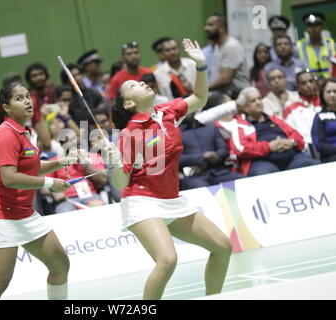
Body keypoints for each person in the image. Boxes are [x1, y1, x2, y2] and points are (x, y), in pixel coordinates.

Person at [108, 39, 232, 299]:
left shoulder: (167, 111)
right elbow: (121, 183)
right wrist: (117, 163)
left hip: (172, 199)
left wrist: (200, 66)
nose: (141, 81)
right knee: (167, 259)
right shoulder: (131, 133)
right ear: (129, 104)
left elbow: (199, 98)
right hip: (142, 201)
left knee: (222, 246)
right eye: (133, 85)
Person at [0, 81, 87, 300]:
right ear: (6, 107)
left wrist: (63, 160)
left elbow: (30, 167)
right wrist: (49, 183)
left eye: (27, 96)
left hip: (23, 211)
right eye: (19, 98)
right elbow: (9, 178)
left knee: (60, 264)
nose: (27, 101)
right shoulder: (5, 134)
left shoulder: (25, 132)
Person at [230, 87, 320, 176]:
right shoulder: (240, 125)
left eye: (259, 99)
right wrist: (268, 146)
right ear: (245, 108)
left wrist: (291, 142)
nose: (258, 102)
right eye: (253, 101)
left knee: (314, 165)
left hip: (290, 157)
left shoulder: (274, 119)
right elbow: (241, 149)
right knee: (265, 174)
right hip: (262, 161)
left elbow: (297, 136)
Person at [179, 113, 245, 190]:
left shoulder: (210, 127)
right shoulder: (175, 134)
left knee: (245, 181)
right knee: (203, 191)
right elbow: (176, 160)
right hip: (194, 177)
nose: (187, 112)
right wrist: (202, 157)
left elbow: (224, 150)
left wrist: (216, 155)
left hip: (219, 172)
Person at [205, 14, 250, 99]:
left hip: (240, 97)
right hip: (226, 97)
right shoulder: (218, 46)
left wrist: (203, 90)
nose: (206, 28)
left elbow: (225, 79)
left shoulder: (232, 46)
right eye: (207, 25)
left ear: (221, 28)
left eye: (210, 25)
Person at [283, 70, 321, 152]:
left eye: (311, 81)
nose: (309, 85)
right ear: (298, 88)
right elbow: (291, 133)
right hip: (307, 149)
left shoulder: (327, 101)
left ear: (315, 82)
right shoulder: (290, 108)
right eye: (304, 83)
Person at [25, 62, 54, 151]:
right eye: (34, 76)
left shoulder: (52, 93)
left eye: (41, 74)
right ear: (29, 80)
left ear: (46, 76)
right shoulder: (29, 99)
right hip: (39, 139)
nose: (38, 78)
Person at [297, 12, 335, 80]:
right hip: (309, 84)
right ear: (306, 29)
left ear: (322, 28)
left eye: (316, 25)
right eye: (310, 26)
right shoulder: (299, 46)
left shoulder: (331, 44)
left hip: (331, 83)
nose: (313, 29)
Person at [311, 78, 336, 162]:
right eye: (329, 92)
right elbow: (320, 145)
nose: (332, 95)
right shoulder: (320, 117)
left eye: (335, 91)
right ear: (322, 94)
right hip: (331, 157)